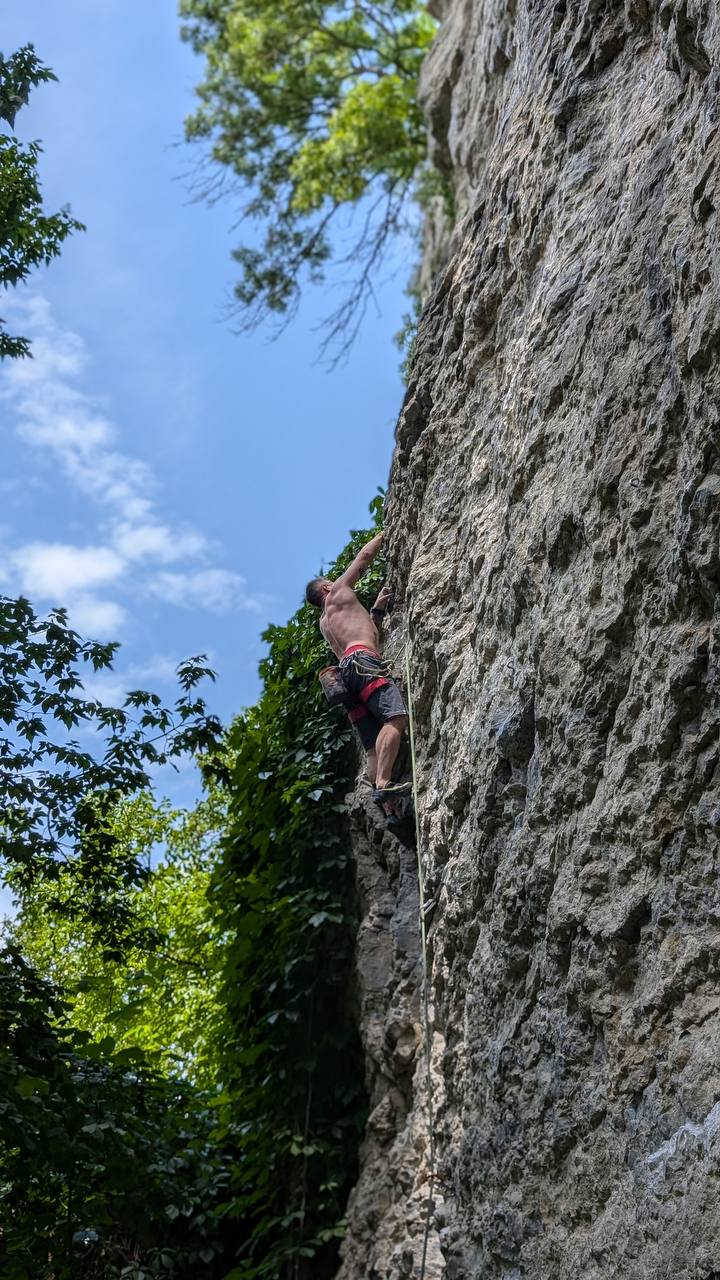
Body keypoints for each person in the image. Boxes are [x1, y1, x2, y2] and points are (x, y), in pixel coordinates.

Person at [305, 531, 409, 814]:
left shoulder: (325, 623)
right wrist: (384, 533)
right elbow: (363, 559)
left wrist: (376, 609)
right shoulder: (338, 591)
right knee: (395, 717)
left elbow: (362, 632)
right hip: (363, 662)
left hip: (347, 678)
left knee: (373, 748)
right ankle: (385, 782)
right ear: (327, 588)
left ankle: (390, 812)